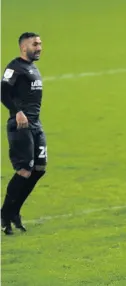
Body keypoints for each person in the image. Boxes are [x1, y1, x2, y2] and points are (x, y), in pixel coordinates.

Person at [1, 32, 46, 235]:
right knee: (24, 170)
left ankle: (14, 211)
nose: (39, 47)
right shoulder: (14, 67)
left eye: (40, 44)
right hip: (20, 126)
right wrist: (17, 111)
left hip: (36, 125)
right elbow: (3, 91)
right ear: (23, 47)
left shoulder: (32, 68)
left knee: (39, 169)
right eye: (35, 44)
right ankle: (5, 214)